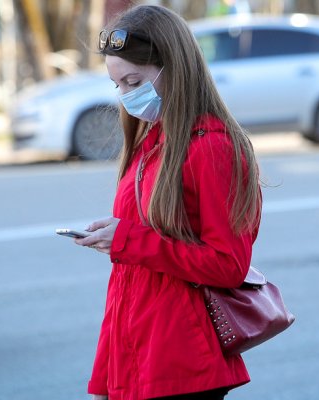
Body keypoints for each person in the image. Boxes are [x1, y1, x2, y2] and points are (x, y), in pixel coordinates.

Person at [74, 5, 262, 400]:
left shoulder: (212, 147)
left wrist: (128, 240)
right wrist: (104, 377)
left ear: (173, 68)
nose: (125, 96)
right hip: (138, 362)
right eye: (118, 85)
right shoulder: (151, 144)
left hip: (183, 367)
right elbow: (127, 282)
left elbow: (228, 265)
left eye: (134, 81)